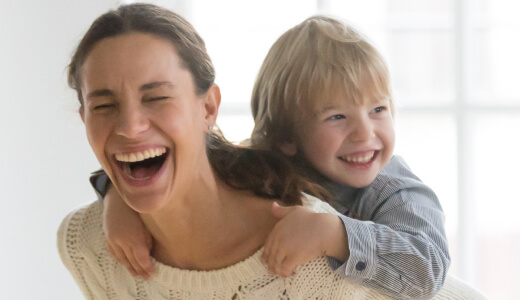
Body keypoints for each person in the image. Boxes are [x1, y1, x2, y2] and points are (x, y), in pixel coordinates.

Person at [58, 3, 485, 299]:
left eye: (379, 110)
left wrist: (334, 233)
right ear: (285, 138)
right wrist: (115, 198)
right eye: (336, 118)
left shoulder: (393, 189)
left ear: (208, 107)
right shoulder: (265, 171)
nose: (364, 134)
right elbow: (192, 158)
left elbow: (427, 269)